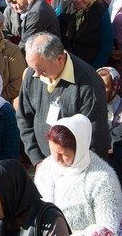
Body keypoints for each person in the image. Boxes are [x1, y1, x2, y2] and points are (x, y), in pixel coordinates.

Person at [16, 32, 110, 165]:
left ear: (59, 59)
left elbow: (95, 140)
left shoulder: (89, 85)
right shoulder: (33, 73)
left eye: (41, 69)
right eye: (32, 68)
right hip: (43, 164)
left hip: (77, 168)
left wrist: (69, 169)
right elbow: (24, 119)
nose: (36, 75)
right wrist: (37, 159)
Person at [34, 114, 122, 234]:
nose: (56, 158)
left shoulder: (103, 179)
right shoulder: (45, 169)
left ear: (79, 149)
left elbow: (110, 230)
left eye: (64, 154)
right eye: (53, 151)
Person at [58, 0, 113, 69]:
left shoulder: (100, 12)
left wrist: (93, 70)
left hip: (89, 64)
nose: (79, 0)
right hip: (66, 65)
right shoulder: (64, 7)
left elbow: (106, 46)